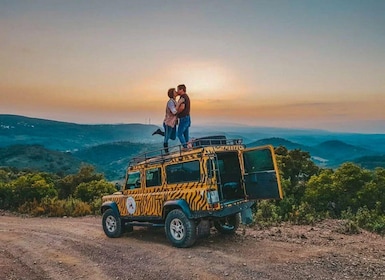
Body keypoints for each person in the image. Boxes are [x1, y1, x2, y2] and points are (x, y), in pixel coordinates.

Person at [152, 88, 183, 153]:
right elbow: (174, 112)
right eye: (175, 91)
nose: (176, 92)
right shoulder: (170, 102)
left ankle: (160, 132)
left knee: (173, 137)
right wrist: (179, 103)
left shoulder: (174, 101)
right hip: (168, 123)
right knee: (166, 138)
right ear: (172, 94)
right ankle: (166, 152)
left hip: (173, 123)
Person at [176, 84, 191, 149]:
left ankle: (185, 147)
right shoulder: (186, 96)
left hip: (183, 118)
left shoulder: (183, 97)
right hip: (187, 117)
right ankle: (187, 146)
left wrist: (176, 113)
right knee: (185, 135)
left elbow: (182, 107)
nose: (177, 91)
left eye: (178, 89)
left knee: (179, 134)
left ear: (181, 90)